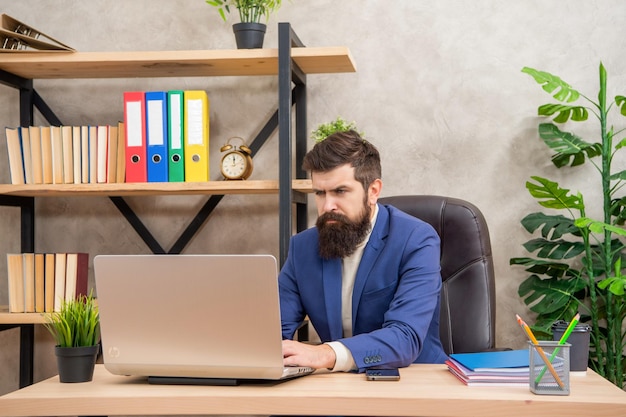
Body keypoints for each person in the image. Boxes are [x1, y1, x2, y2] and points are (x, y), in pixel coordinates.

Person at [279, 130, 448, 372]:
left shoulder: (417, 240)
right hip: (338, 391)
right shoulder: (302, 248)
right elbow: (272, 330)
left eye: (340, 191)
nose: (327, 206)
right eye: (319, 193)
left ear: (373, 191)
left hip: (414, 384)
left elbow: (405, 338)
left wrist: (326, 353)